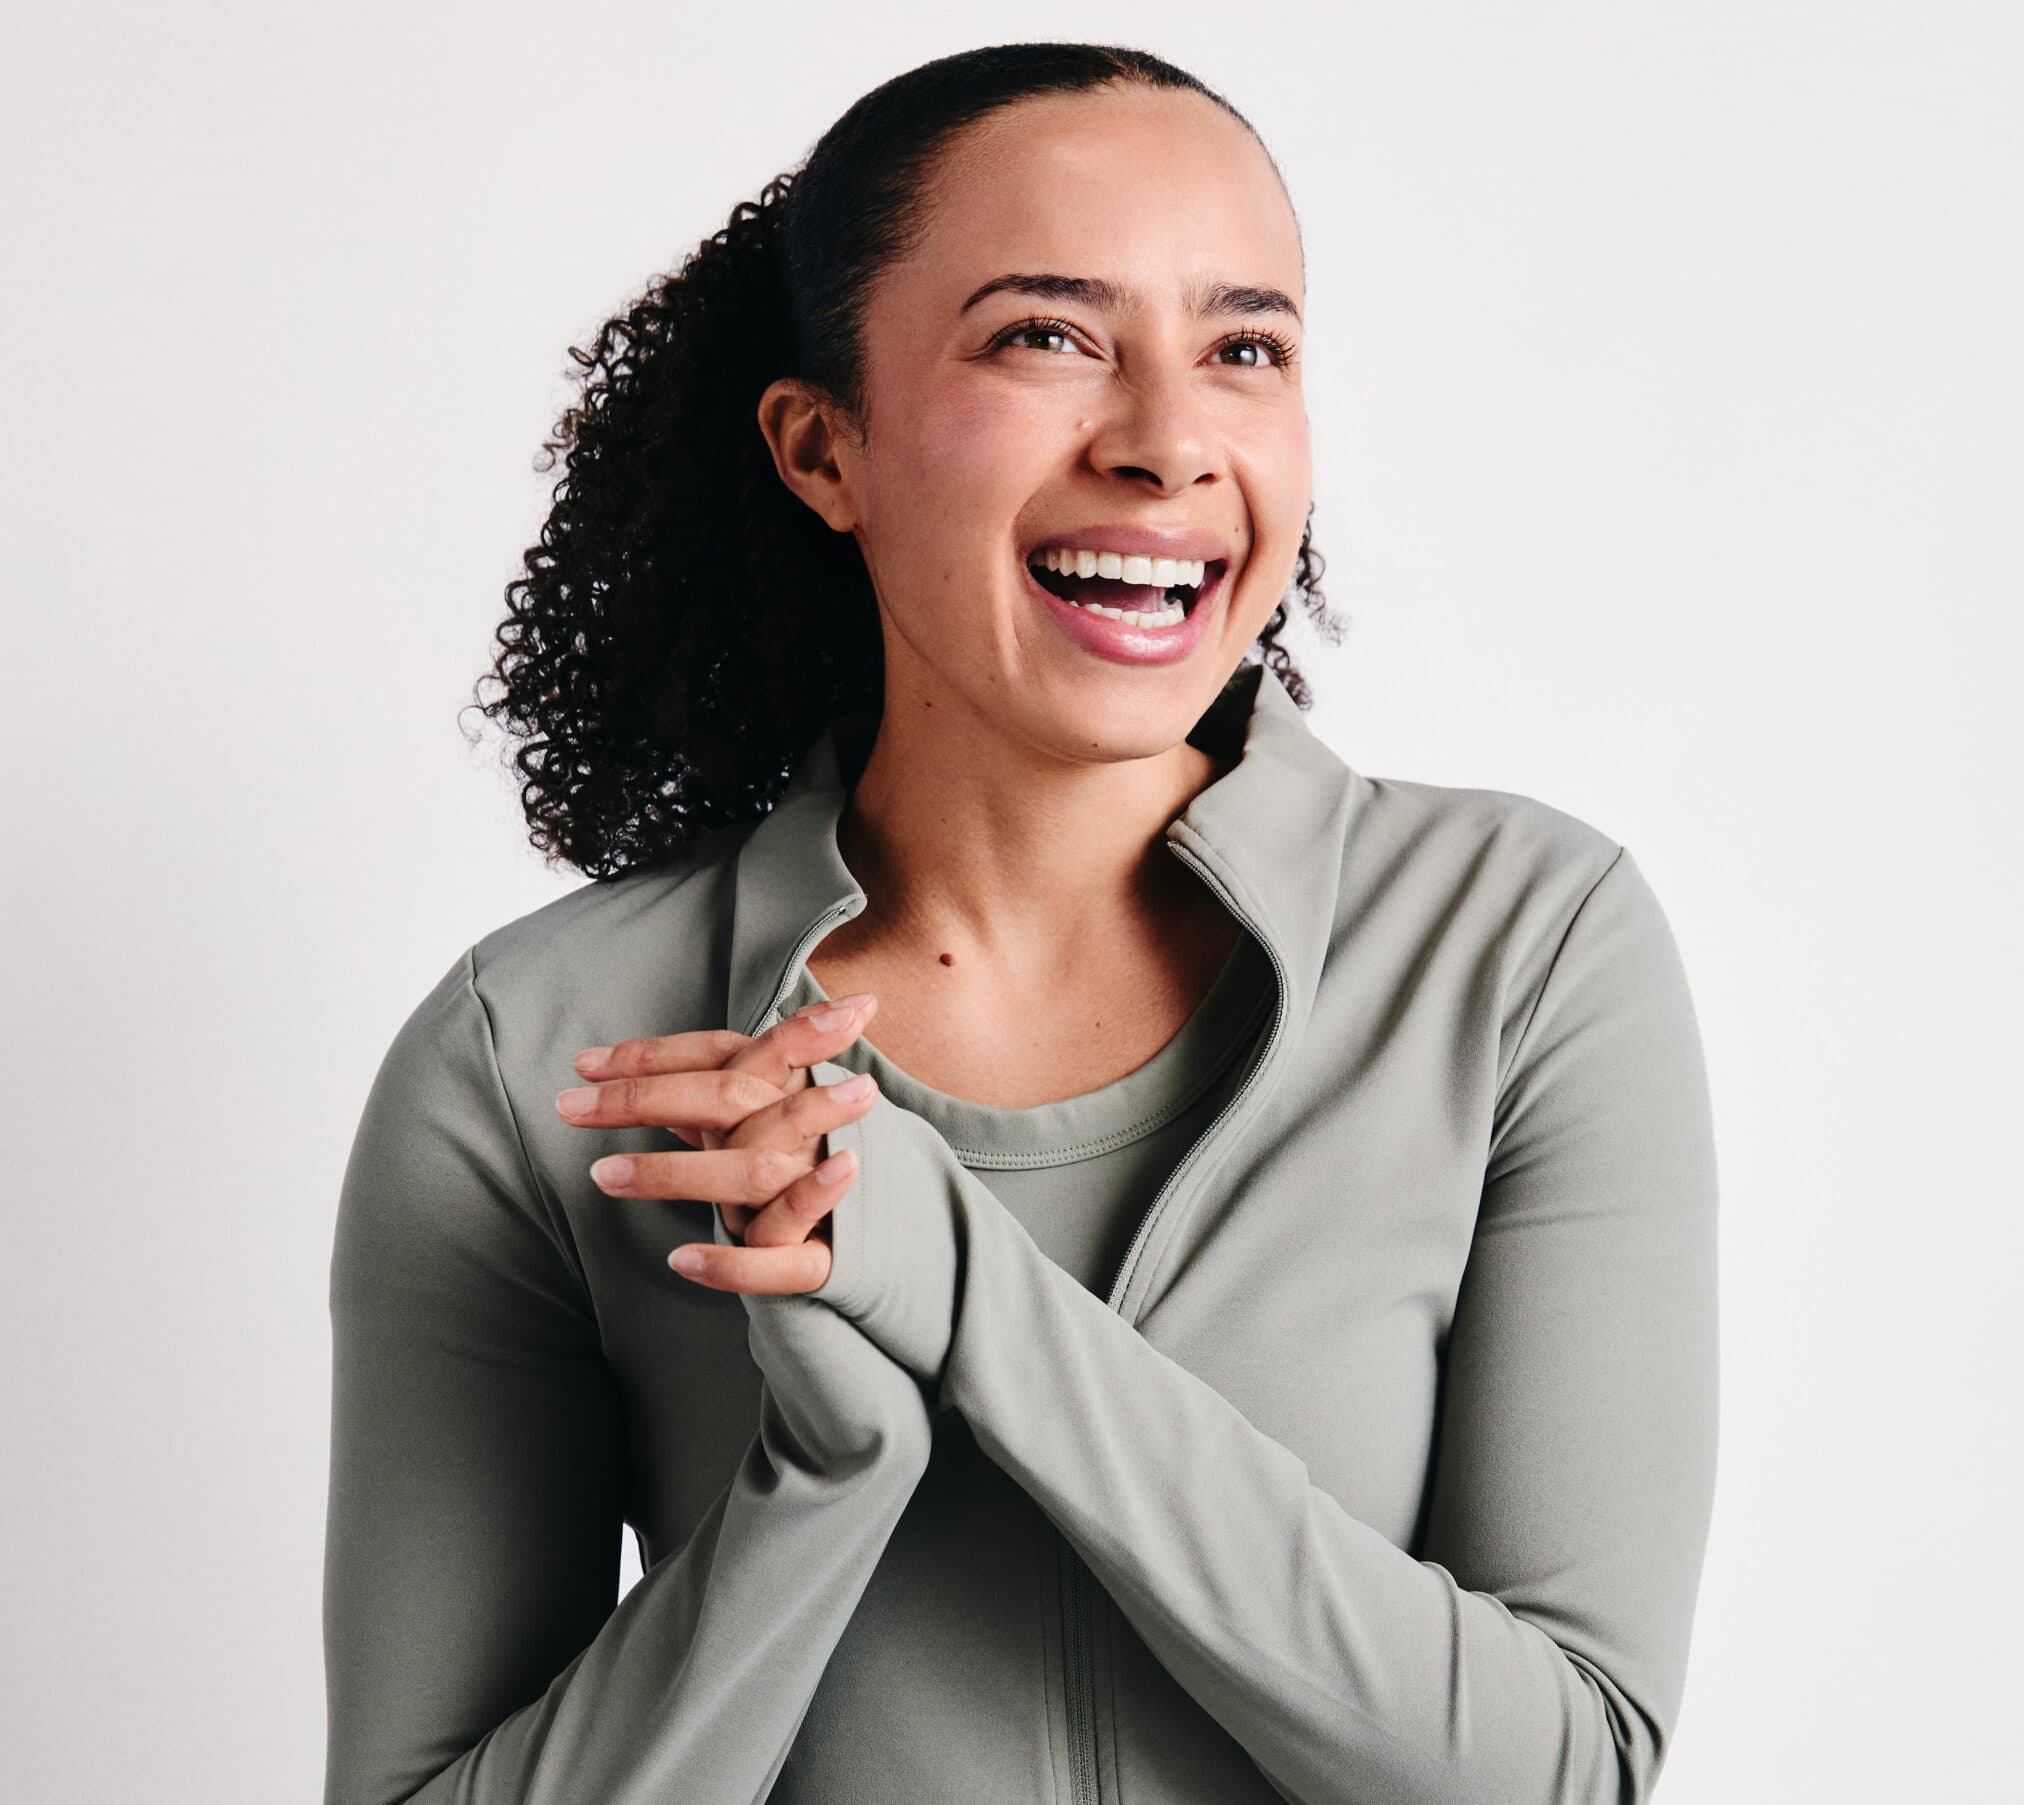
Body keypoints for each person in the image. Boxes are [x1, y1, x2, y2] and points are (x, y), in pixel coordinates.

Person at [323, 40, 1719, 1805]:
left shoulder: (1520, 953)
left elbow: (1563, 1769)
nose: (1164, 440)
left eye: (1245, 348)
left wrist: (959, 1279)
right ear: (824, 447)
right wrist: (816, 1481)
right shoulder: (535, 1055)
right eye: (1046, 336)